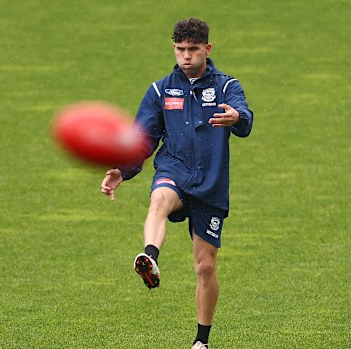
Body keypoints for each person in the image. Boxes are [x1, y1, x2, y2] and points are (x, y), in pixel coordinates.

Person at [101, 17, 253, 349]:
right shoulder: (159, 90)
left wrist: (237, 117)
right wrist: (122, 172)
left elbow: (245, 118)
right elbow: (142, 140)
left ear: (207, 49)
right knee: (158, 201)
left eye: (193, 50)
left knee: (205, 266)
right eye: (180, 49)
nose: (186, 56)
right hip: (174, 170)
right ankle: (150, 257)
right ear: (174, 48)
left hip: (211, 184)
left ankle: (201, 341)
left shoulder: (227, 87)